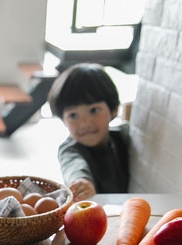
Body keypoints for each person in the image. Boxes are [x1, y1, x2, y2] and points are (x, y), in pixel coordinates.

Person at [47, 63, 131, 201]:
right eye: (73, 115)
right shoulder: (70, 150)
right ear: (63, 120)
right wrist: (82, 182)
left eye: (94, 110)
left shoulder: (124, 136)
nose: (85, 123)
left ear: (114, 110)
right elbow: (73, 166)